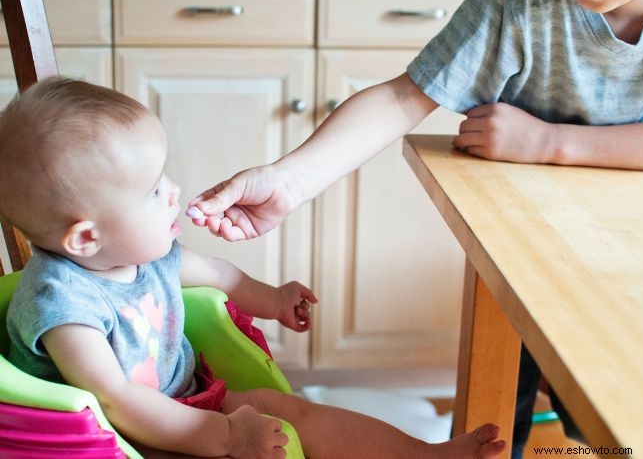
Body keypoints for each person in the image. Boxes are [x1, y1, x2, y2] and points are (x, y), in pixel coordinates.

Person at [186, 0, 643, 456]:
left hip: (626, 262)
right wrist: (289, 181)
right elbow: (405, 97)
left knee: (608, 414)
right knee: (504, 408)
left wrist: (550, 143)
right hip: (525, 246)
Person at [0, 77, 505, 458]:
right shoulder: (65, 308)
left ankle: (422, 454)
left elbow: (221, 275)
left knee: (291, 409)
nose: (173, 190)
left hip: (190, 402)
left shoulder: (139, 256)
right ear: (86, 237)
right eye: (153, 190)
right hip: (127, 439)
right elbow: (117, 402)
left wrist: (275, 299)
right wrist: (225, 436)